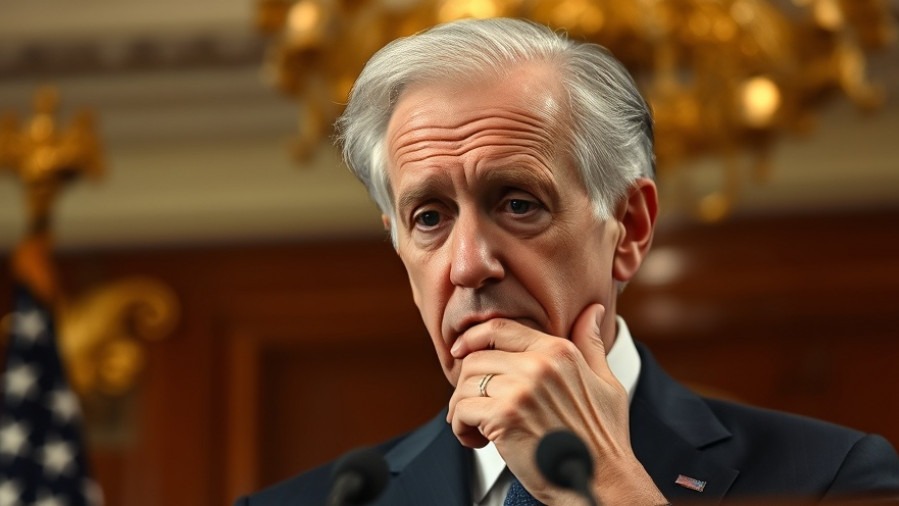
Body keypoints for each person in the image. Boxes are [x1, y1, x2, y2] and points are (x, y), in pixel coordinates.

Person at [235, 18, 899, 505]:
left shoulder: (832, 477)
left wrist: (609, 486)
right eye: (429, 218)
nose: (467, 266)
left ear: (629, 228)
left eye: (518, 203)